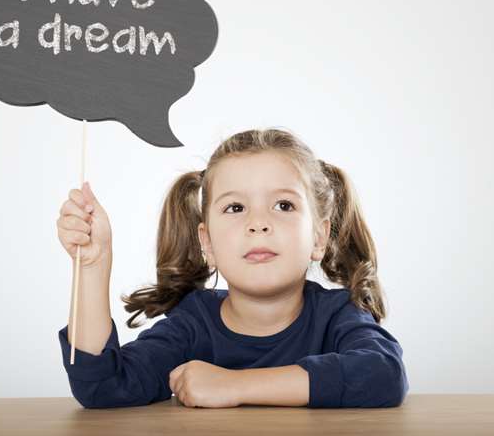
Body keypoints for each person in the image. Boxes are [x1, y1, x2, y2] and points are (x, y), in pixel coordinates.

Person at [57, 127, 409, 409]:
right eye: (235, 208)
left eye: (284, 205)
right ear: (207, 243)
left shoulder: (338, 314)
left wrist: (234, 385)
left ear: (319, 236)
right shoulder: (194, 323)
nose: (258, 223)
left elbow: (384, 375)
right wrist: (92, 265)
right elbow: (104, 387)